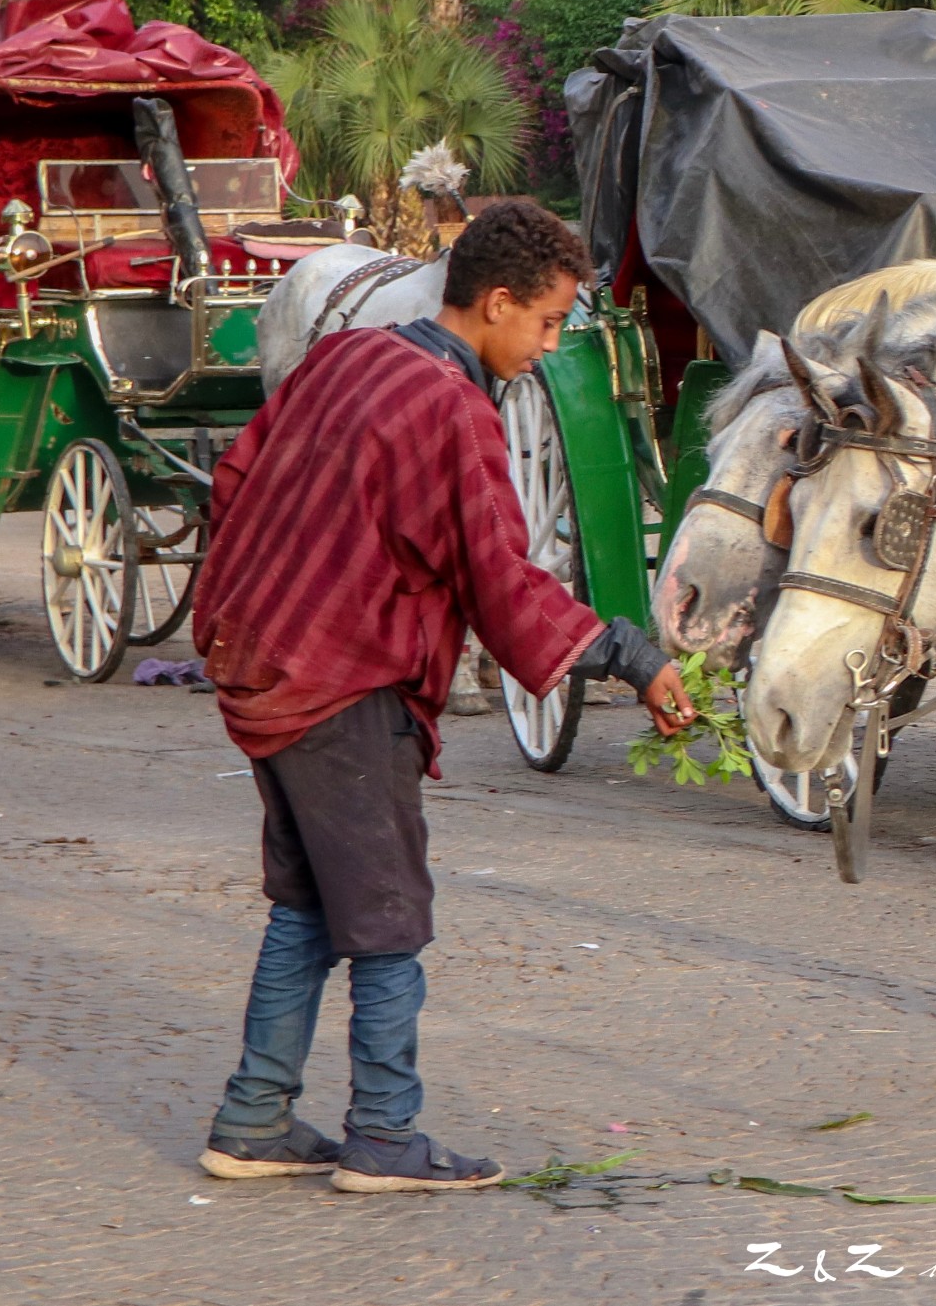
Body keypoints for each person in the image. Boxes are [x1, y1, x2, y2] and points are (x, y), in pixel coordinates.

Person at [190, 201, 695, 1193]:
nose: (548, 346)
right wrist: (631, 652)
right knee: (385, 918)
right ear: (496, 302)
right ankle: (383, 1135)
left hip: (263, 663)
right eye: (546, 323)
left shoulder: (345, 358)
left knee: (306, 903)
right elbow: (500, 578)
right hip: (343, 684)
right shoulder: (450, 405)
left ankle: (253, 1116)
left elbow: (234, 480)